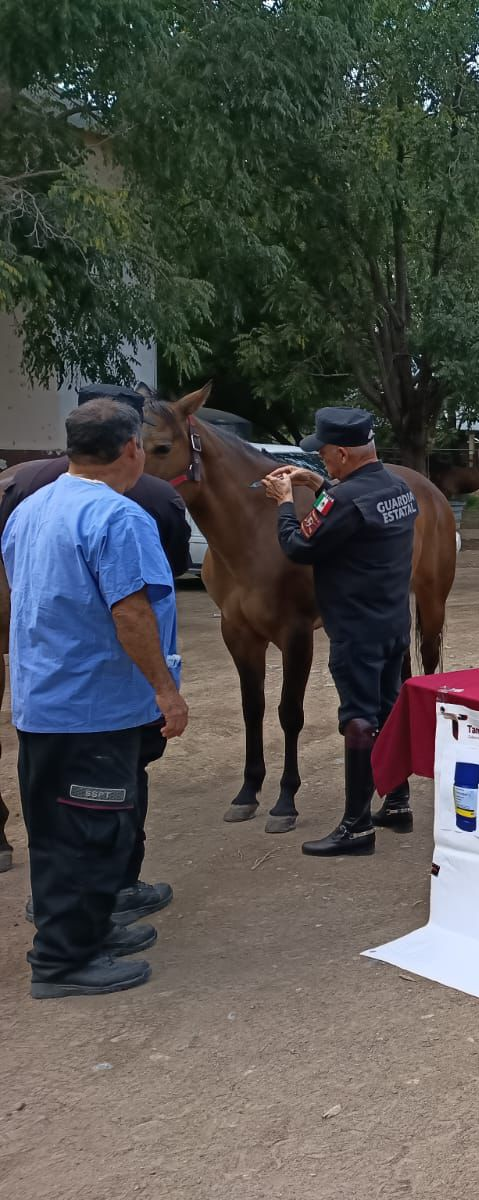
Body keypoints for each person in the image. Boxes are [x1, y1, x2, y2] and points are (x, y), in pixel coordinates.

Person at [2, 399, 188, 999]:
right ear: (132, 448)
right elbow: (131, 612)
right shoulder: (118, 517)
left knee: (67, 829)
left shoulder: (30, 508)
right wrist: (166, 690)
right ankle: (63, 963)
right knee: (88, 832)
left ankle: (88, 931)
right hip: (93, 708)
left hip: (45, 701)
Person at [262, 407, 418, 857]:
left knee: (358, 718)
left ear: (344, 452)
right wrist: (320, 484)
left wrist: (285, 503)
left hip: (355, 627)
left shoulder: (343, 500)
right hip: (391, 623)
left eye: (325, 455)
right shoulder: (398, 487)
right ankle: (397, 801)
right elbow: (359, 513)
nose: (321, 461)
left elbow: (299, 545)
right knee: (388, 711)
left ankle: (355, 826)